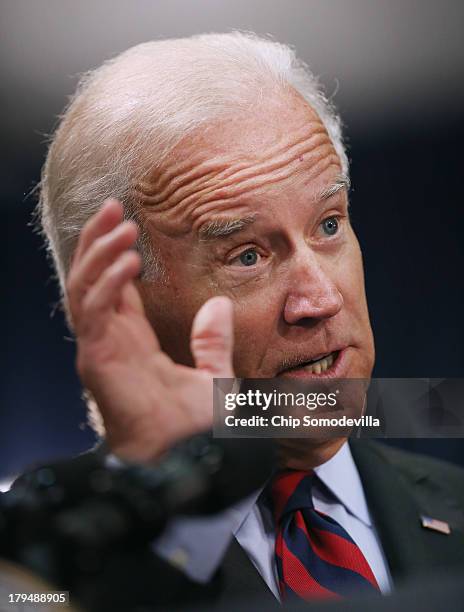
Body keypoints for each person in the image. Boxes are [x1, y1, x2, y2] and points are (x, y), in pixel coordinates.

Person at [18, 32, 464, 608]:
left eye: (328, 225)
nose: (321, 299)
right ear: (120, 303)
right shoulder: (51, 557)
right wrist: (152, 496)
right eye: (247, 256)